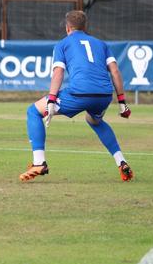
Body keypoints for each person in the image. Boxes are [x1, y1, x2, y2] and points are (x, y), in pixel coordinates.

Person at [20, 10, 134, 182]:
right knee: (94, 120)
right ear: (85, 27)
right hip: (104, 95)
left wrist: (51, 99)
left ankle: (39, 162)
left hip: (79, 93)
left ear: (67, 28)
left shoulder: (63, 44)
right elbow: (115, 72)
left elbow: (58, 72)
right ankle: (121, 162)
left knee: (33, 112)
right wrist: (122, 102)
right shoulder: (101, 44)